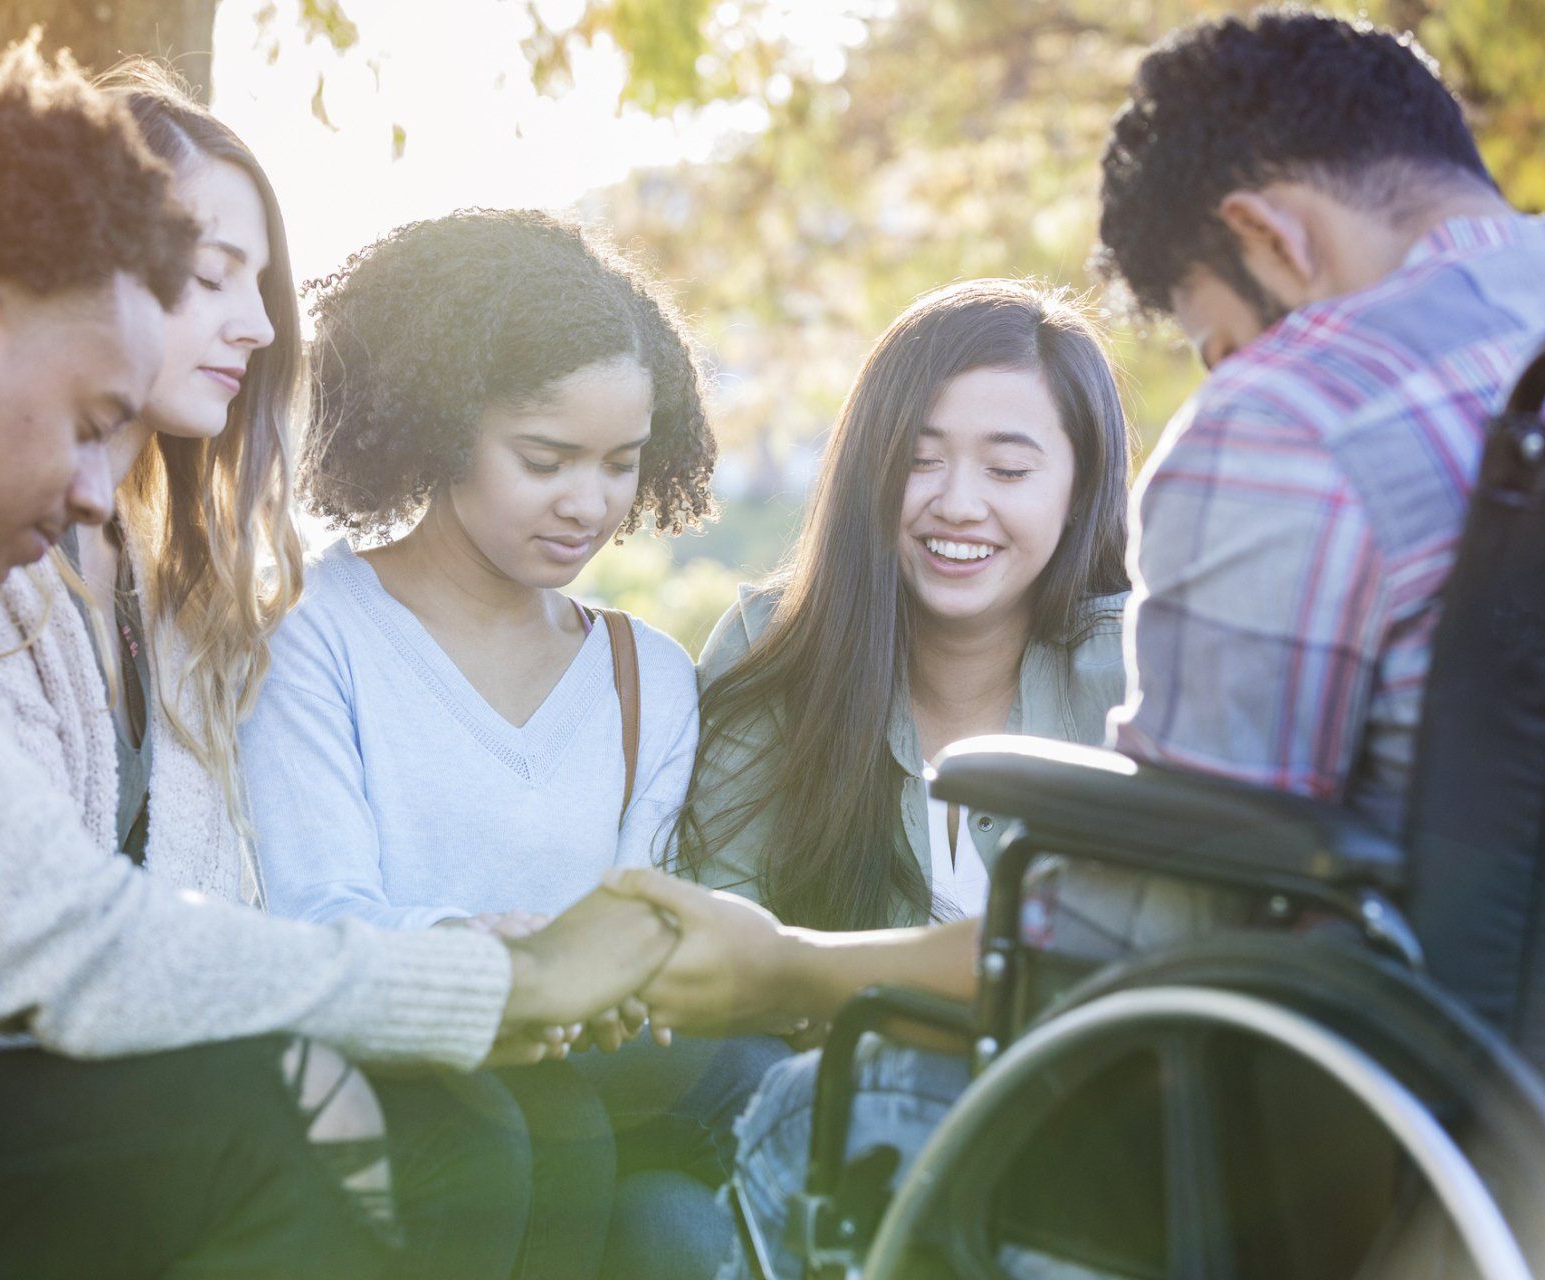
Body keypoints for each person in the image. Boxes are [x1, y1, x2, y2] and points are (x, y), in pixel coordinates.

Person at [0, 48, 675, 1279]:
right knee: (259, 1128)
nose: (89, 484)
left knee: (394, 1124)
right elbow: (53, 944)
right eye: (86, 425)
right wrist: (508, 979)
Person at [612, 12, 1545, 1279]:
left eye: (1219, 336)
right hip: (1503, 1118)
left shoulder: (1295, 412)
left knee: (793, 1119)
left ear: (1274, 238)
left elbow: (1129, 948)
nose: (1231, 369)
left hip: (1351, 1128)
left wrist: (788, 966)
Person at [0, 68, 569, 1277]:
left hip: (126, 1069)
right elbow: (7, 951)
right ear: (78, 268)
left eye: (258, 286)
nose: (258, 323)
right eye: (212, 277)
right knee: (313, 1124)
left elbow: (232, 911)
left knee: (461, 1122)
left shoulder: (182, 593)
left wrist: (450, 948)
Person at [238, 208, 776, 1279]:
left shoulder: (647, 677)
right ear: (438, 426)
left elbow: (636, 934)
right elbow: (319, 911)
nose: (589, 502)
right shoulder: (312, 637)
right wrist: (510, 962)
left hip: (595, 1076)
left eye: (622, 463)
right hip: (407, 1080)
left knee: (724, 1131)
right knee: (530, 1124)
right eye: (545, 457)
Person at [677, 278, 1130, 940]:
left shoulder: (1133, 674)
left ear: (1080, 489)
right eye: (920, 459)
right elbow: (718, 945)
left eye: (1007, 470)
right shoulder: (772, 645)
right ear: (871, 469)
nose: (957, 503)